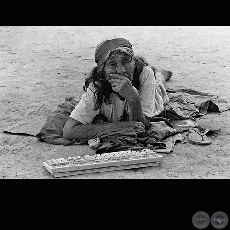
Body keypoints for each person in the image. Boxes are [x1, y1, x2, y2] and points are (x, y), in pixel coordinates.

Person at [63, 38, 172, 142]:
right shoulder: (96, 87)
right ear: (103, 71)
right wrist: (120, 127)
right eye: (112, 64)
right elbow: (69, 131)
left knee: (159, 88)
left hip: (152, 94)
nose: (121, 70)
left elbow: (141, 127)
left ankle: (160, 74)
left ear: (133, 62)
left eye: (125, 61)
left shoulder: (144, 74)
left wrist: (133, 97)